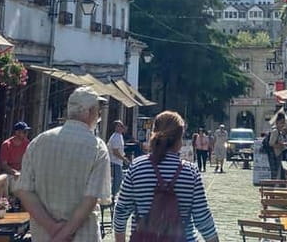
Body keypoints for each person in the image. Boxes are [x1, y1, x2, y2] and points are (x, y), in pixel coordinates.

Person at [15, 86, 111, 242]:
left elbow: (24, 191)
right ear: (89, 112)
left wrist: (52, 228)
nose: (99, 115)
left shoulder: (39, 141)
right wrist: (63, 234)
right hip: (82, 236)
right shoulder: (97, 147)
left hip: (44, 235)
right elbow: (90, 199)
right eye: (98, 111)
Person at [113, 110, 219, 242]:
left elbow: (121, 212)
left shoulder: (137, 167)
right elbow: (203, 218)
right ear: (179, 139)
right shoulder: (190, 172)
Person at [107, 121, 129, 198]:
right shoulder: (115, 137)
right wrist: (124, 159)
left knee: (118, 181)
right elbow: (115, 151)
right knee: (117, 181)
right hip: (114, 162)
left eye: (122, 126)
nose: (121, 128)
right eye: (119, 126)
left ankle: (113, 196)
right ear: (115, 128)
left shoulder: (120, 136)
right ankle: (112, 196)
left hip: (118, 162)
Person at [269, 112, 287, 179]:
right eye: (281, 122)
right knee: (278, 173)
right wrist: (282, 145)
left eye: (284, 123)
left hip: (280, 153)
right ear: (277, 122)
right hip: (277, 154)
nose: (283, 124)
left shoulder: (280, 131)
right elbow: (271, 143)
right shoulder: (275, 131)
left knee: (281, 172)